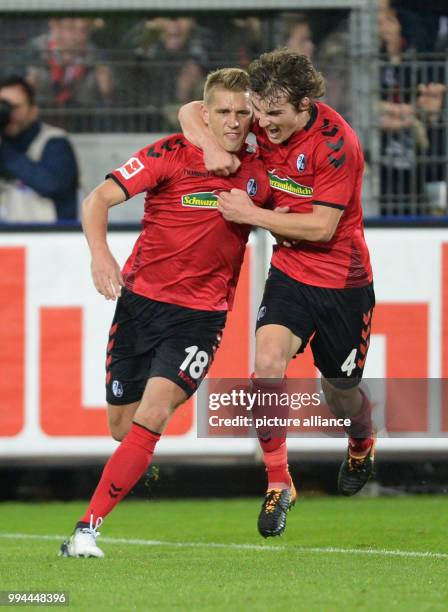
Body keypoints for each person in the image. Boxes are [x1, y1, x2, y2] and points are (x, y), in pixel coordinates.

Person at [59, 68, 271, 558]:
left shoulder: (264, 168)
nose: (235, 122)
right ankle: (135, 457)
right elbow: (98, 199)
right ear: (205, 113)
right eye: (224, 112)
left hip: (201, 317)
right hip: (140, 305)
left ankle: (86, 530)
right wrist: (101, 254)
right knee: (122, 426)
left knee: (154, 413)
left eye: (243, 112)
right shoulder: (170, 153)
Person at [179, 49, 375, 538]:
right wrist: (211, 147)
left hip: (342, 282)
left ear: (304, 104)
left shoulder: (336, 143)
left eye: (274, 114)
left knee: (340, 392)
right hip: (290, 273)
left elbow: (324, 226)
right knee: (266, 363)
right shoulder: (264, 119)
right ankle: (278, 481)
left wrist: (253, 216)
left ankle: (361, 440)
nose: (261, 124)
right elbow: (189, 111)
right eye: (257, 111)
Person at [0, 75, 79, 222]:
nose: (7, 113)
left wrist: (3, 150)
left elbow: (51, 185)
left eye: (14, 107)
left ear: (33, 110)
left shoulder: (54, 141)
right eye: (3, 106)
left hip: (49, 239)